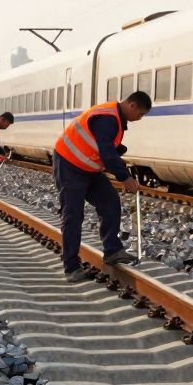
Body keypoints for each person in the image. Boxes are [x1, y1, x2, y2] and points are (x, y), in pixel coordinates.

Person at [53, 91, 150, 282]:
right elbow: (107, 153)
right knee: (73, 214)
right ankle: (71, 267)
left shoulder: (116, 119)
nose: (140, 118)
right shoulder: (108, 118)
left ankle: (112, 250)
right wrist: (125, 178)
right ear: (132, 105)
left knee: (110, 202)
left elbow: (106, 150)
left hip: (89, 168)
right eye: (140, 114)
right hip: (69, 165)